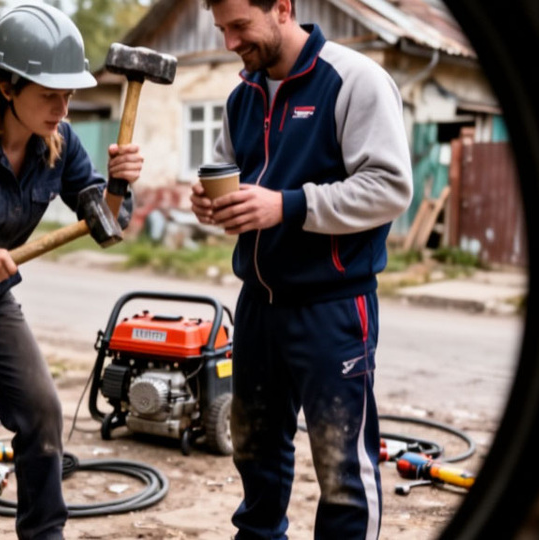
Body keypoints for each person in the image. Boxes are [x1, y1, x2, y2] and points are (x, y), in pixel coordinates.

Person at [0, 3, 142, 539]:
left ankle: (45, 535)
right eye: (49, 94)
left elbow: (106, 226)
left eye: (69, 94)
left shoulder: (58, 145)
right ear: (8, 86)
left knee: (42, 412)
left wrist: (118, 184)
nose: (62, 108)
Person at [190, 0, 413, 538]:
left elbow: (390, 188)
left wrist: (288, 205)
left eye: (239, 26)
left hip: (332, 306)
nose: (229, 43)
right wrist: (209, 205)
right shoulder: (241, 95)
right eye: (221, 29)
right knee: (256, 454)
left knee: (341, 467)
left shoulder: (355, 80)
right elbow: (233, 175)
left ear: (283, 9)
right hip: (258, 305)